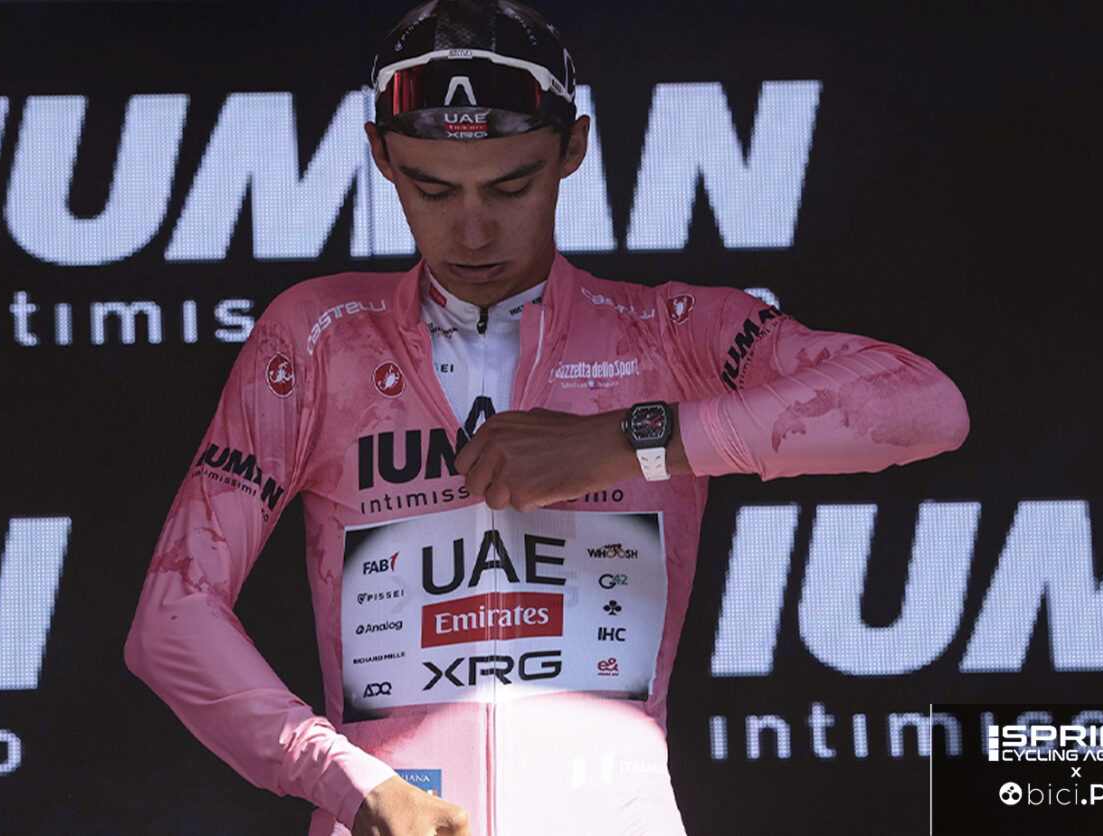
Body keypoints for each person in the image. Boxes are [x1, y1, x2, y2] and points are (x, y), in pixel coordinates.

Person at [124, 1, 969, 834]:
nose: (472, 229)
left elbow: (924, 405)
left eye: (511, 185)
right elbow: (171, 614)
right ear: (380, 155)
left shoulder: (665, 335)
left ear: (573, 147)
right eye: (431, 188)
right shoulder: (318, 339)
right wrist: (349, 780)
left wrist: (626, 443)